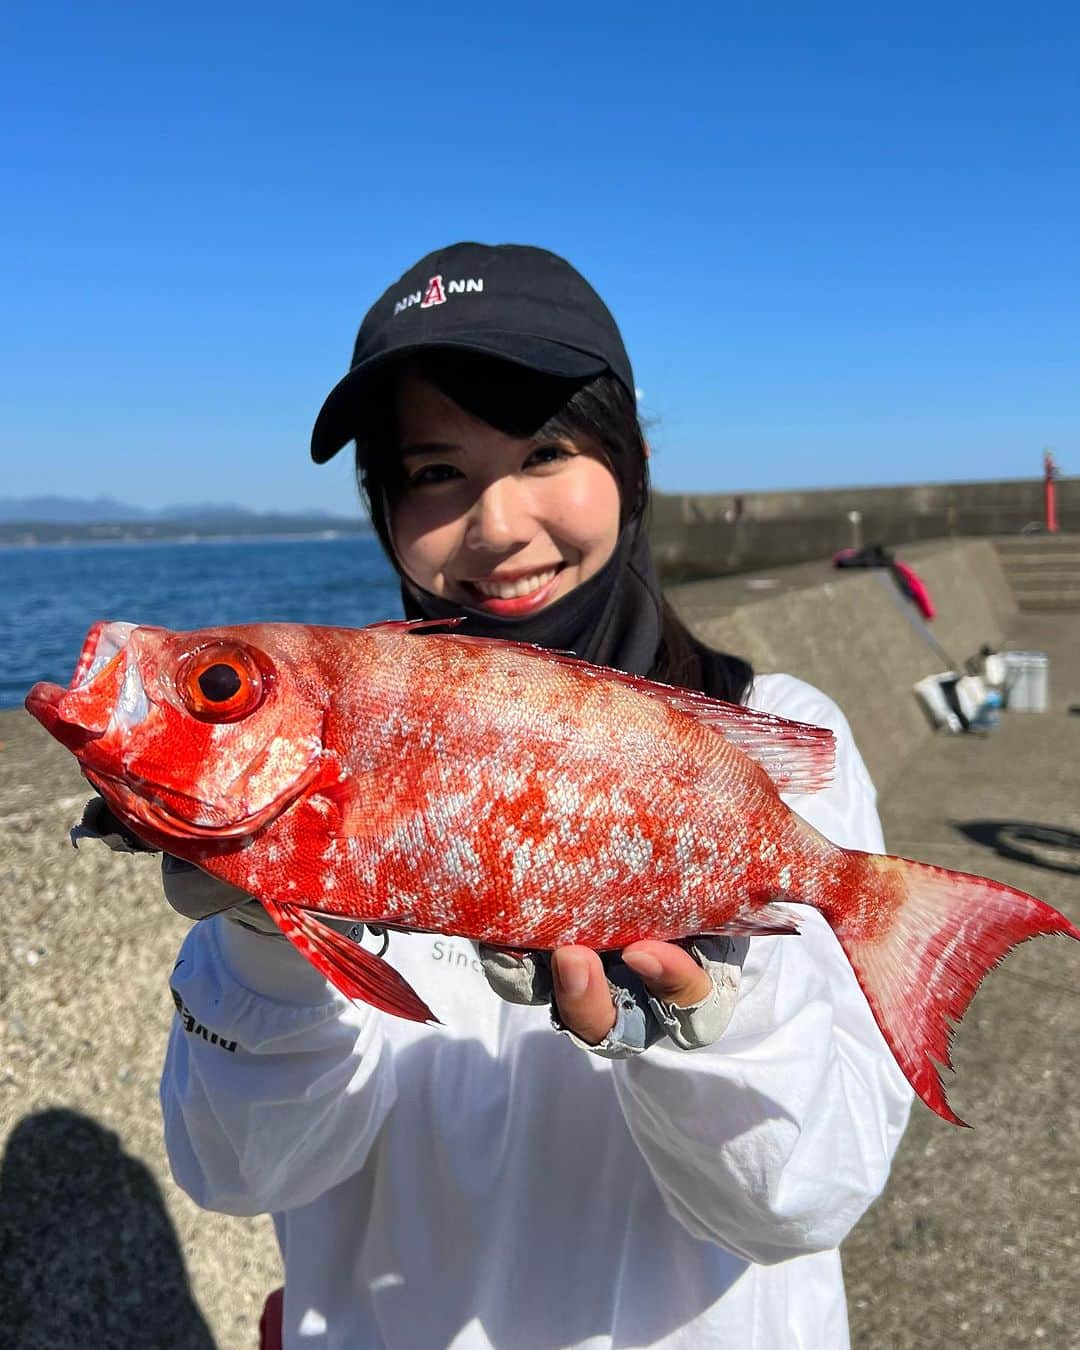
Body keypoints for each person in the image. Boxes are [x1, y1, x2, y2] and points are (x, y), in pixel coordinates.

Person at [157, 242, 913, 1349]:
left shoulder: (773, 738)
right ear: (380, 503)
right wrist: (269, 946)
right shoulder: (333, 753)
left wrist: (709, 1024)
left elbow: (804, 1202)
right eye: (433, 473)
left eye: (546, 452)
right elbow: (235, 1174)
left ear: (633, 462)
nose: (500, 526)